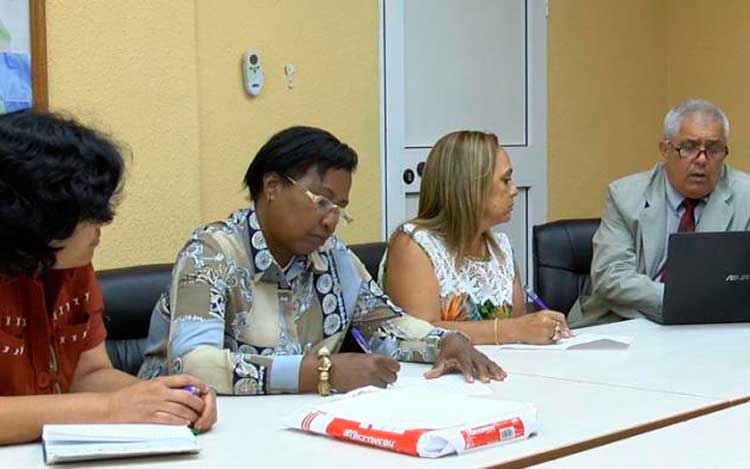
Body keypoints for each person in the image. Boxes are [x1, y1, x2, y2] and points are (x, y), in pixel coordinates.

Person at [139, 126, 505, 395]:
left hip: (292, 427)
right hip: (189, 432)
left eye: (340, 208)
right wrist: (318, 373)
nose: (330, 220)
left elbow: (386, 326)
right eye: (321, 201)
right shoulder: (211, 254)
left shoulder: (332, 257)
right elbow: (193, 365)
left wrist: (446, 342)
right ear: (272, 186)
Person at [0, 109, 216, 445]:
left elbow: (88, 375)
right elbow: (104, 404)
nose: (104, 224)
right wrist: (110, 408)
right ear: (39, 216)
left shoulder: (71, 266)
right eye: (90, 213)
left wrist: (168, 400)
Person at [568, 99, 750, 327]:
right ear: (665, 150)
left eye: (714, 149)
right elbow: (611, 277)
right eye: (689, 147)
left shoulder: (745, 198)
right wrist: (683, 300)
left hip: (714, 326)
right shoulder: (625, 195)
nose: (702, 160)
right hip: (625, 320)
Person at [380, 130, 570, 346]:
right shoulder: (413, 244)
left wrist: (537, 328)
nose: (514, 190)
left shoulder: (501, 247)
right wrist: (514, 330)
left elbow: (520, 330)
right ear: (470, 186)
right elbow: (420, 334)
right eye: (506, 180)